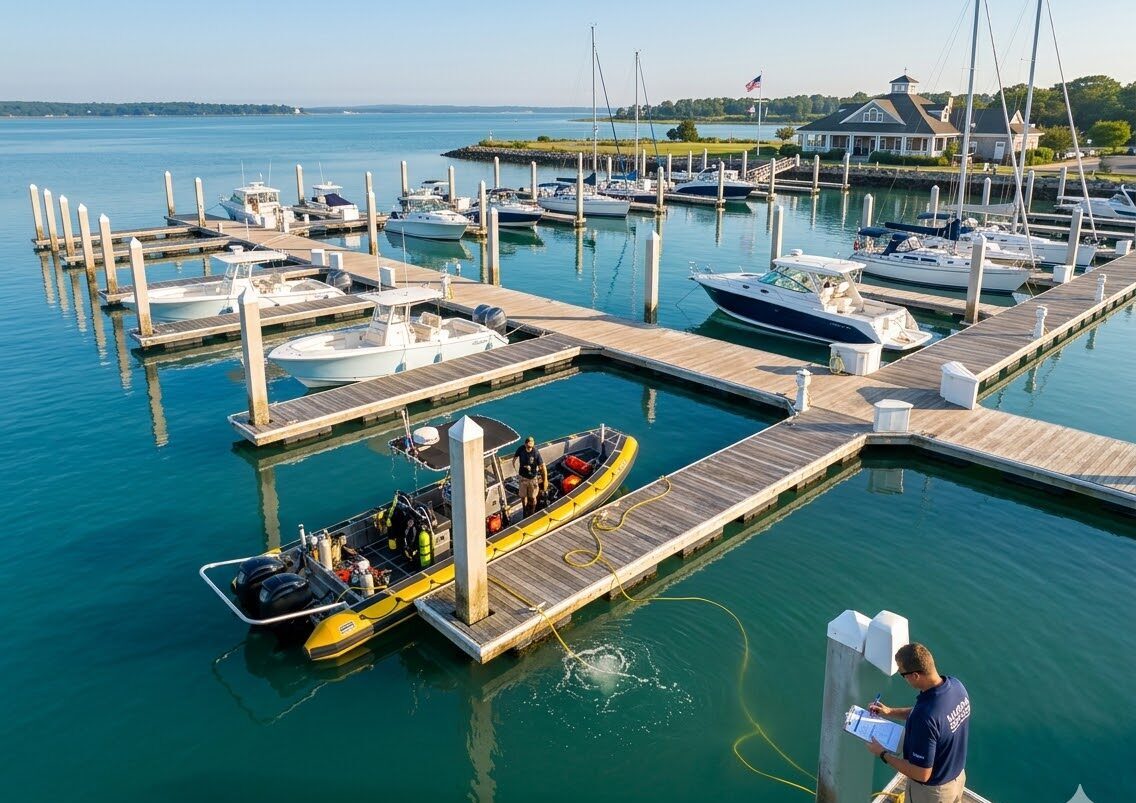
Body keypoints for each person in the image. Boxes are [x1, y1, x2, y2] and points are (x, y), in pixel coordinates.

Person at [866, 643, 970, 803]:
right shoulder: (957, 687)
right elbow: (932, 717)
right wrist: (889, 712)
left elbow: (922, 773)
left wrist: (882, 753)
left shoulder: (926, 717)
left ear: (915, 675)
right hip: (957, 778)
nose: (904, 678)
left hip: (933, 793)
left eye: (903, 674)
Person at [512, 435, 547, 518]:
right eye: (528, 446)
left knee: (533, 496)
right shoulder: (520, 449)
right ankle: (524, 509)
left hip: (532, 479)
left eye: (531, 446)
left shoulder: (536, 452)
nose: (530, 448)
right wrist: (517, 471)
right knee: (523, 496)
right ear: (525, 444)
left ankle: (533, 511)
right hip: (523, 478)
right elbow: (514, 460)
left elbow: (542, 466)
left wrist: (545, 480)